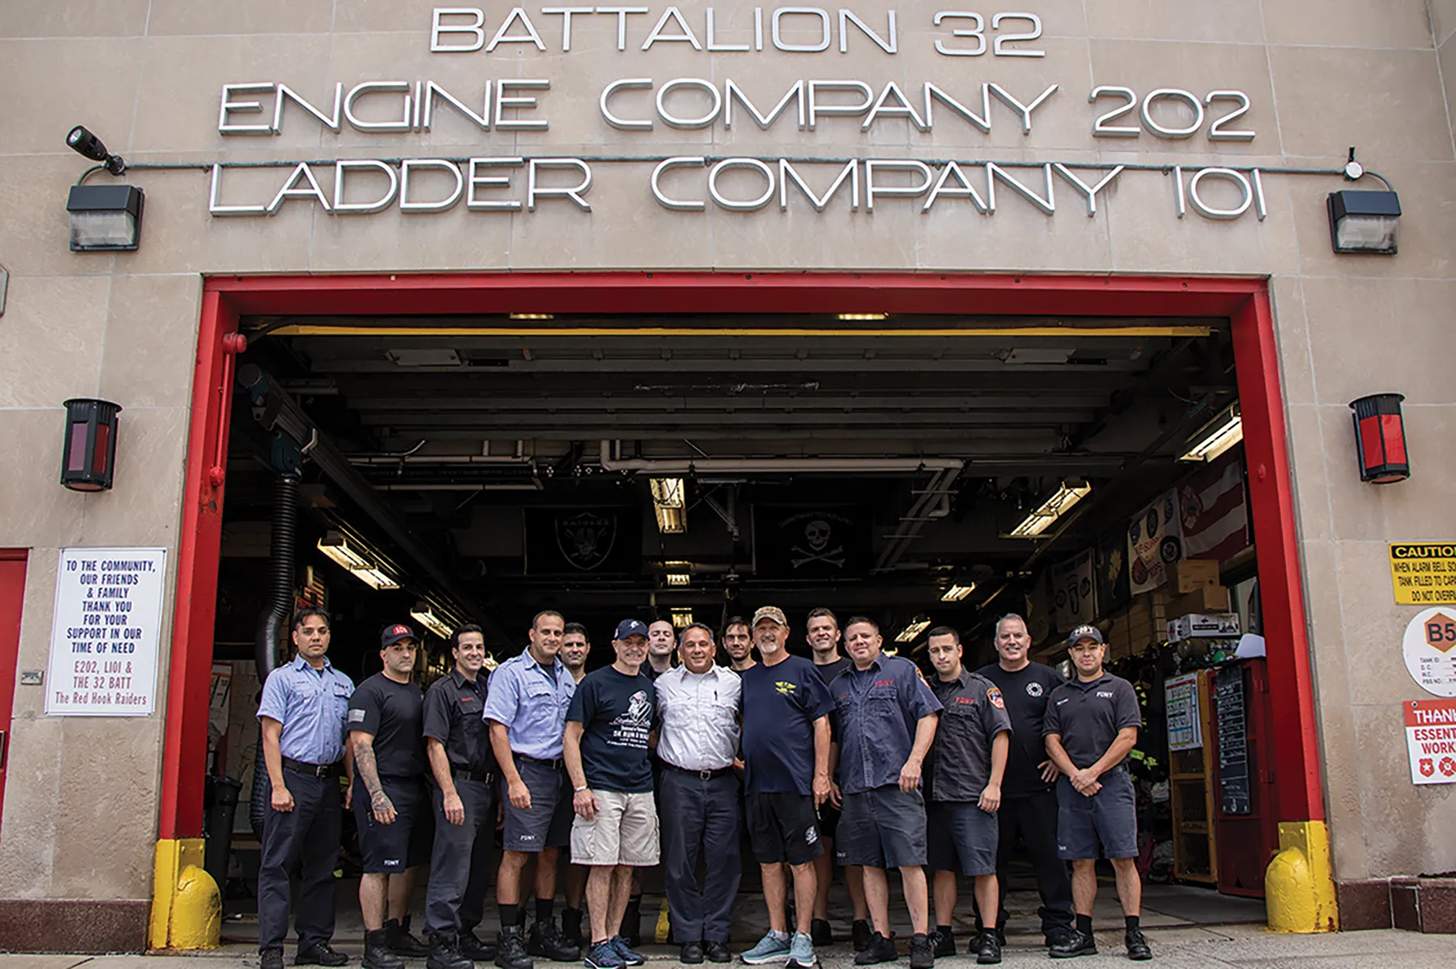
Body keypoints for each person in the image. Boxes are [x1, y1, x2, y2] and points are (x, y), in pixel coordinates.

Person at [828, 617, 941, 969]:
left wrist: (915, 761)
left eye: (865, 636)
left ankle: (921, 940)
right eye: (852, 639)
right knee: (870, 865)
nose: (859, 642)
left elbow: (929, 715)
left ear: (879, 640)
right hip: (857, 788)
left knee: (909, 863)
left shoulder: (903, 671)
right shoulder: (839, 686)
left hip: (898, 785)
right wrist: (829, 775)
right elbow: (834, 737)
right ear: (845, 646)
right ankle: (883, 938)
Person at [1043, 625, 1152, 962]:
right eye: (1079, 648)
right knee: (1080, 861)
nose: (1086, 653)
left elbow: (1128, 737)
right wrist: (1076, 774)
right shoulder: (1059, 695)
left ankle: (1133, 933)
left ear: (1104, 650)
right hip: (1073, 788)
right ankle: (1084, 934)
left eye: (1092, 647)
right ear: (1071, 654)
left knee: (1123, 858)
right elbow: (1051, 740)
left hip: (1112, 784)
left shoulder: (1120, 689)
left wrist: (1093, 771)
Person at [255, 608, 355, 969]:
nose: (316, 637)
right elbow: (270, 734)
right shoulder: (282, 680)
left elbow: (348, 741)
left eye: (323, 631)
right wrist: (277, 785)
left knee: (324, 866)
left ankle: (314, 942)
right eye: (308, 631)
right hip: (292, 779)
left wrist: (352, 783)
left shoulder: (343, 683)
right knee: (278, 864)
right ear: (295, 637)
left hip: (328, 782)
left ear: (329, 636)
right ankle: (271, 948)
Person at [737, 606, 832, 969]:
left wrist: (821, 774)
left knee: (801, 862)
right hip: (757, 785)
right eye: (760, 628)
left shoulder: (803, 669)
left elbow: (822, 724)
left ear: (786, 632)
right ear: (753, 635)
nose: (766, 633)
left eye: (772, 627)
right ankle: (777, 934)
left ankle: (803, 936)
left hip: (794, 784)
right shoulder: (748, 676)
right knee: (768, 862)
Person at [486, 611, 581, 969]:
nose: (553, 638)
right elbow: (498, 730)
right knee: (516, 854)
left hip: (560, 775)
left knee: (550, 855)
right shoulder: (510, 673)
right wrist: (512, 780)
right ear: (532, 634)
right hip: (527, 771)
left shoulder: (565, 677)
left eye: (558, 632)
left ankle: (543, 931)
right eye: (547, 632)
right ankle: (509, 936)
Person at [564, 619, 660, 969]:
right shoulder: (595, 683)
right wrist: (580, 787)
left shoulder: (648, 687)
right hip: (602, 788)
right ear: (615, 645)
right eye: (628, 642)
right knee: (601, 865)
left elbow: (648, 736)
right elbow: (571, 736)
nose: (635, 648)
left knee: (627, 867)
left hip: (639, 788)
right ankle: (598, 941)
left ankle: (616, 937)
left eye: (641, 643)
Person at [975, 614, 1074, 949]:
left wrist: (1060, 763)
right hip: (994, 792)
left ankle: (1059, 924)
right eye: (1005, 636)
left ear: (1029, 641)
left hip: (1040, 788)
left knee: (1050, 859)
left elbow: (1067, 722)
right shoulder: (982, 680)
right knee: (991, 863)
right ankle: (990, 927)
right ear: (996, 642)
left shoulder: (1048, 679)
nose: (1012, 641)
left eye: (1018, 636)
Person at [654, 623, 742, 965]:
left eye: (703, 644)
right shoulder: (663, 685)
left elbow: (747, 724)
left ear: (714, 648)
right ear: (680, 651)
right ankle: (689, 935)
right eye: (689, 645)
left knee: (724, 860)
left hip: (723, 781)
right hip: (679, 782)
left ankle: (717, 934)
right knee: (680, 861)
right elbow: (649, 729)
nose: (697, 650)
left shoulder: (734, 683)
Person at [924, 627, 1012, 966]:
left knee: (982, 869)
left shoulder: (982, 690)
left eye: (947, 648)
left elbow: (1000, 736)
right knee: (942, 869)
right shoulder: (926, 690)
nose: (941, 656)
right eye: (935, 651)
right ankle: (943, 934)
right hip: (936, 796)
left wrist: (994, 784)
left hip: (974, 795)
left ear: (960, 650)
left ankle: (988, 934)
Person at [349, 624, 433, 969]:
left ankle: (398, 930)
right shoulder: (370, 692)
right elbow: (359, 744)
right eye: (397, 648)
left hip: (414, 787)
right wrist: (377, 794)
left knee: (408, 864)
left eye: (410, 647)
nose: (405, 653)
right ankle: (374, 943)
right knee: (377, 867)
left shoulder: (416, 692)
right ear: (383, 653)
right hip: (384, 787)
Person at [422, 624, 500, 969]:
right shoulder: (443, 691)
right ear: (454, 653)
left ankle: (465, 933)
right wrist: (449, 792)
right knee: (451, 866)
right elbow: (434, 745)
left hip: (486, 787)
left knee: (479, 867)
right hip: (459, 785)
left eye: (479, 647)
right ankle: (441, 941)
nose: (473, 653)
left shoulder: (488, 688)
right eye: (466, 647)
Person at [804, 607, 870, 950]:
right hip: (815, 777)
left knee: (857, 851)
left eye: (827, 628)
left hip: (856, 774)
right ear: (807, 637)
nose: (821, 634)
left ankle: (861, 920)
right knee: (819, 849)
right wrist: (822, 776)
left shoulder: (855, 668)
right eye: (815, 629)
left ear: (837, 634)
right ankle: (819, 919)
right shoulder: (801, 671)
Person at [559, 622, 594, 949]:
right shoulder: (545, 679)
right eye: (568, 644)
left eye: (579, 644)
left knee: (580, 853)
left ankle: (573, 917)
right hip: (548, 775)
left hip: (588, 778)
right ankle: (536, 922)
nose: (573, 649)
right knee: (540, 851)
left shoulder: (598, 684)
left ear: (588, 648)